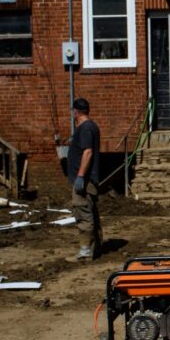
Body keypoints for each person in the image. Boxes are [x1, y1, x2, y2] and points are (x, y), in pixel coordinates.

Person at [67, 98, 103, 261]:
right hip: (86, 179)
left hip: (85, 181)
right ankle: (95, 248)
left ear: (76, 112)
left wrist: (80, 176)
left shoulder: (86, 128)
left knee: (83, 213)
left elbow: (87, 152)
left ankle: (85, 252)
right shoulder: (88, 127)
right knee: (90, 212)